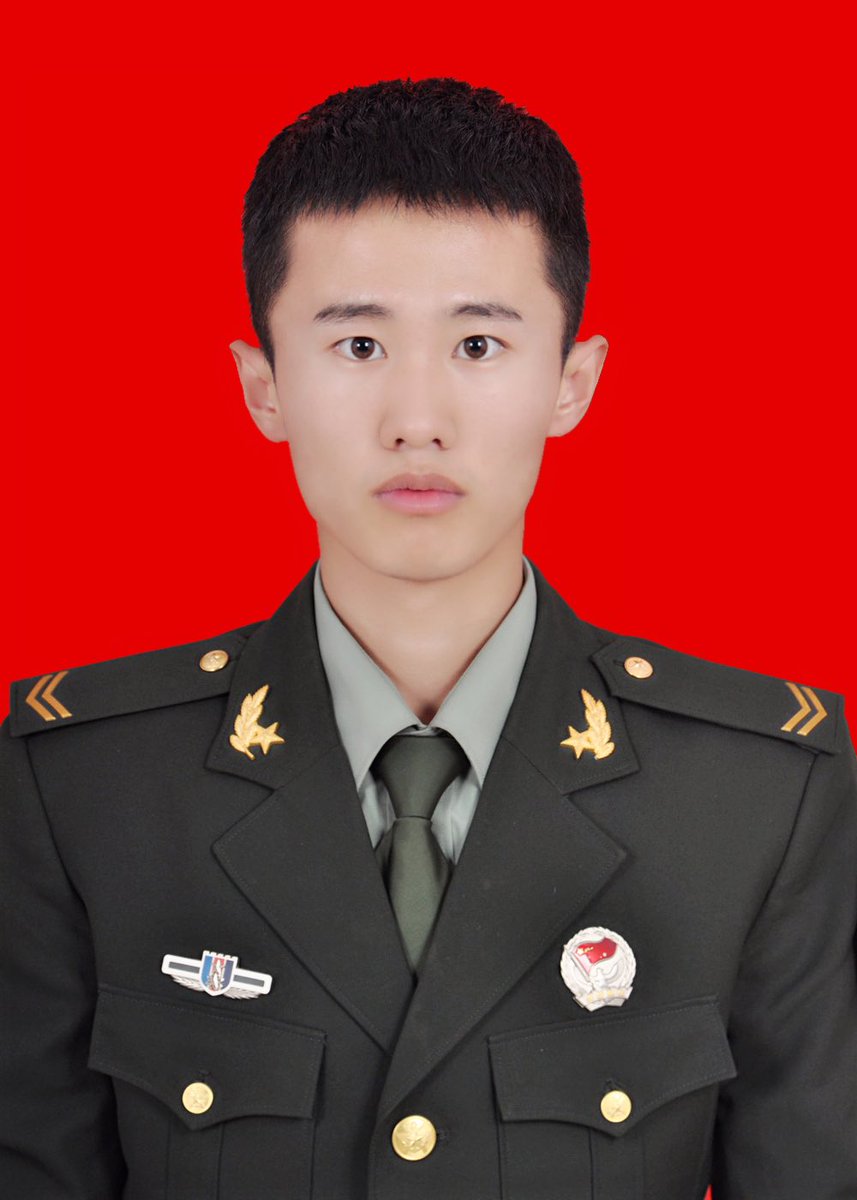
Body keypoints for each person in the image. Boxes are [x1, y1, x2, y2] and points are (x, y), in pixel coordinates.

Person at [1, 76, 855, 1200]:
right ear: (263, 385)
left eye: (478, 345)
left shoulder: (756, 795)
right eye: (357, 344)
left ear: (571, 381)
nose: (416, 419)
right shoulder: (83, 783)